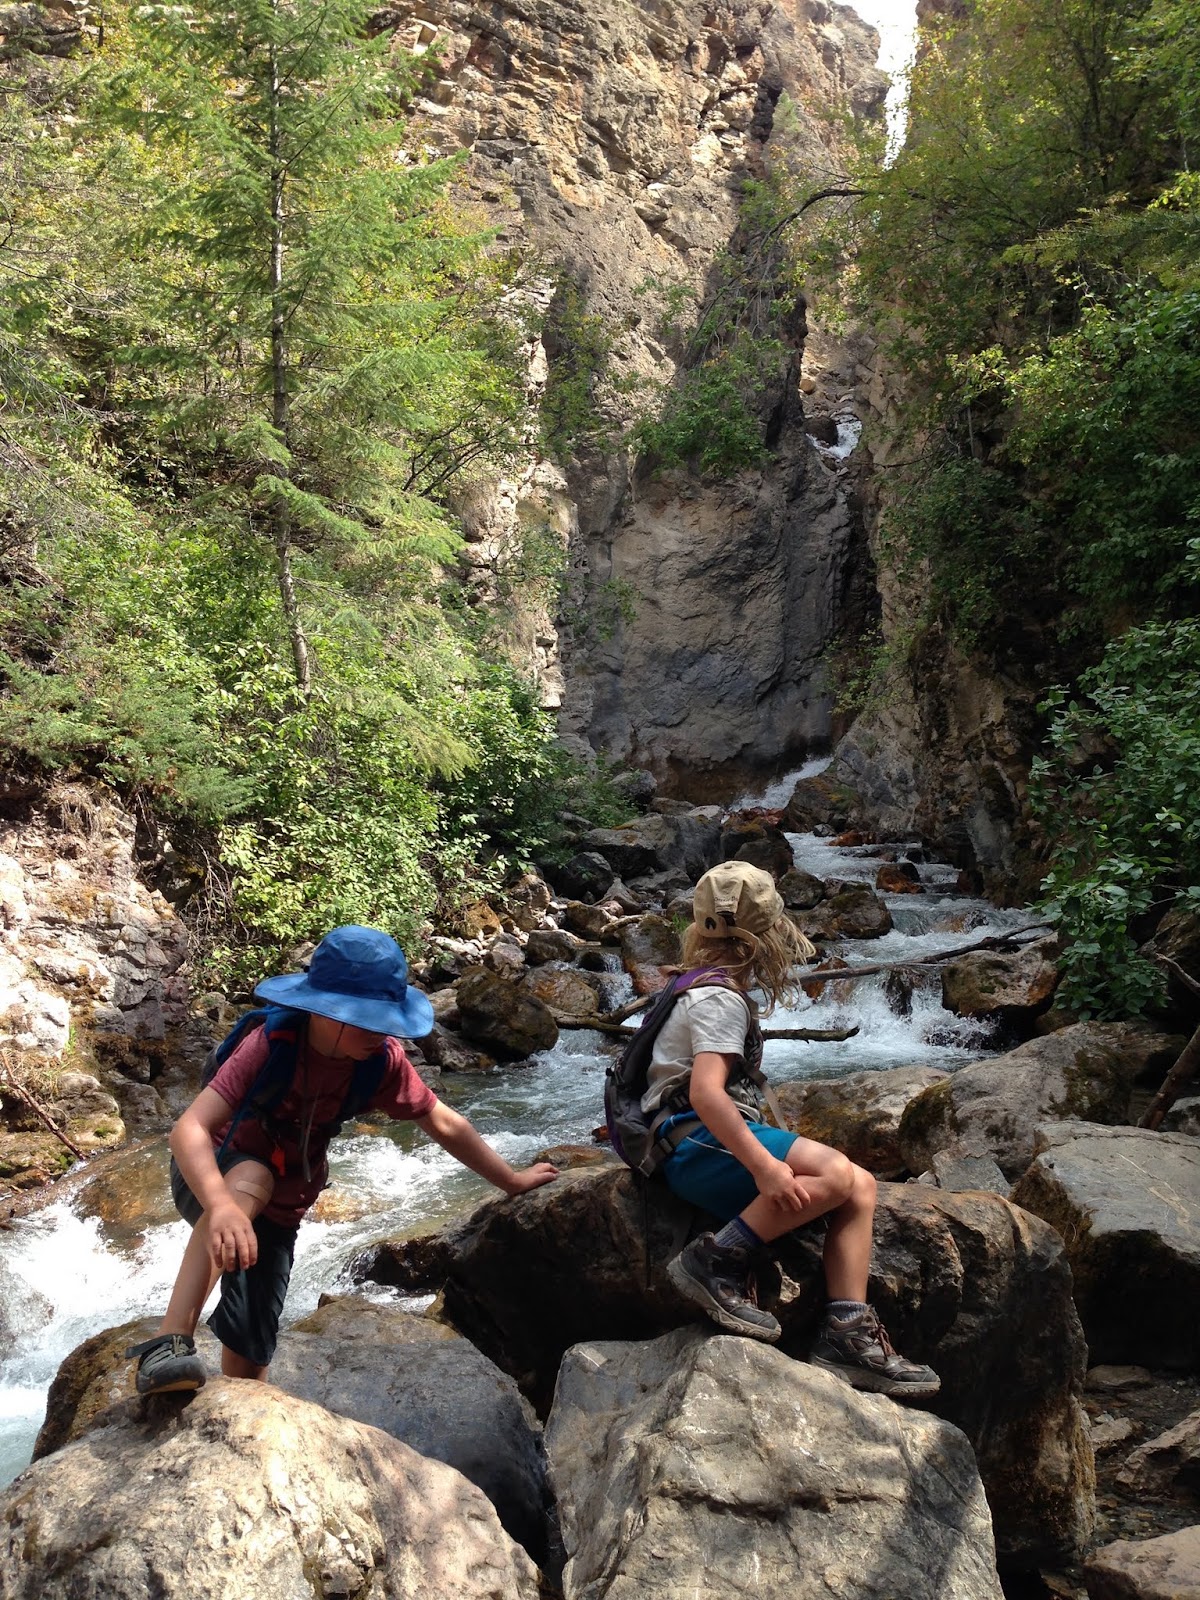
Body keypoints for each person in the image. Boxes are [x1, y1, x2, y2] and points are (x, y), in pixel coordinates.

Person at [127, 924, 557, 1396]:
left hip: (281, 1208)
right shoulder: (273, 1045)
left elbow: (444, 1124)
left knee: (251, 1357)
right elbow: (187, 1129)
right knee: (251, 1179)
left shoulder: (381, 1063)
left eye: (387, 1019)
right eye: (369, 1019)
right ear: (324, 1011)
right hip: (211, 1176)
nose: (382, 1031)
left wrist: (512, 1180)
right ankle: (167, 1346)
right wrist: (222, 1206)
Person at [652, 861, 939, 1399]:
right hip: (689, 1143)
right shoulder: (719, 999)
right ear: (767, 934)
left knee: (862, 1185)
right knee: (835, 1174)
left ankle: (846, 1330)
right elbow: (706, 1094)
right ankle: (715, 1257)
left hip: (686, 1139)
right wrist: (765, 1169)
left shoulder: (699, 983)